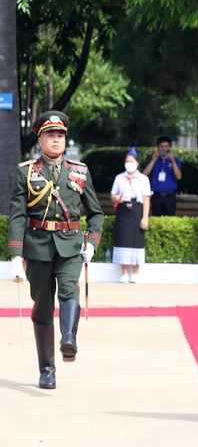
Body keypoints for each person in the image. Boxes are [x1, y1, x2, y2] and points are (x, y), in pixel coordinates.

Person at [7, 111, 104, 389]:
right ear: (40, 139)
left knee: (69, 289)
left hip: (70, 244)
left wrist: (92, 244)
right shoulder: (25, 172)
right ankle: (47, 369)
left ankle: (69, 338)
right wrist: (15, 254)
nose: (56, 140)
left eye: (60, 135)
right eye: (50, 135)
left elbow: (96, 214)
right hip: (37, 246)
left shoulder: (80, 171)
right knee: (43, 306)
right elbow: (16, 215)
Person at [110, 147, 152, 283]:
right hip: (123, 210)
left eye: (132, 161)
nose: (129, 163)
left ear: (137, 163)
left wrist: (145, 217)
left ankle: (135, 272)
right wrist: (116, 198)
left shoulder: (143, 179)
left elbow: (146, 198)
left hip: (137, 210)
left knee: (136, 240)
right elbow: (112, 195)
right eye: (127, 161)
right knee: (123, 238)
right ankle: (124, 273)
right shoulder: (119, 178)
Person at [143, 136, 182, 216]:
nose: (164, 149)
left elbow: (178, 176)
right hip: (157, 195)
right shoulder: (153, 160)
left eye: (166, 147)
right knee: (156, 219)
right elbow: (144, 174)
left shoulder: (176, 160)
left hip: (170, 196)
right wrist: (153, 160)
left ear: (170, 147)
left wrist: (173, 161)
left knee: (170, 220)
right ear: (158, 148)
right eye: (161, 147)